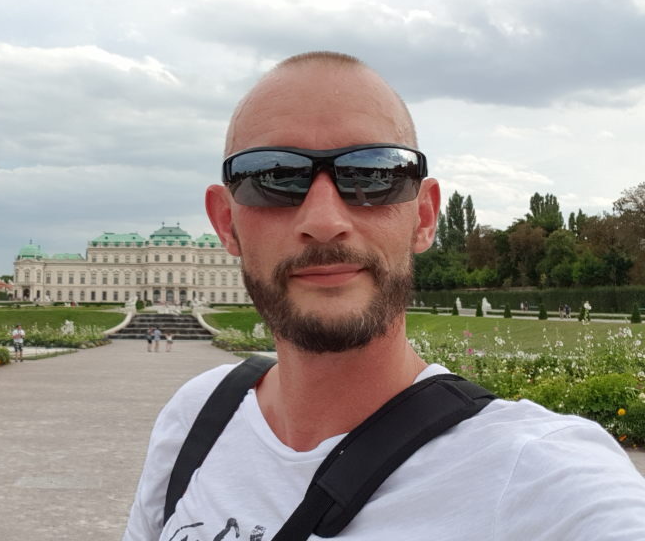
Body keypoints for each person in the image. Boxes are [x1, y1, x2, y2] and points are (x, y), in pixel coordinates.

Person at [123, 51, 645, 540]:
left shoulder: (539, 475)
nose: (324, 222)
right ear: (225, 224)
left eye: (372, 174)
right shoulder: (196, 417)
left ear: (423, 216)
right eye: (272, 177)